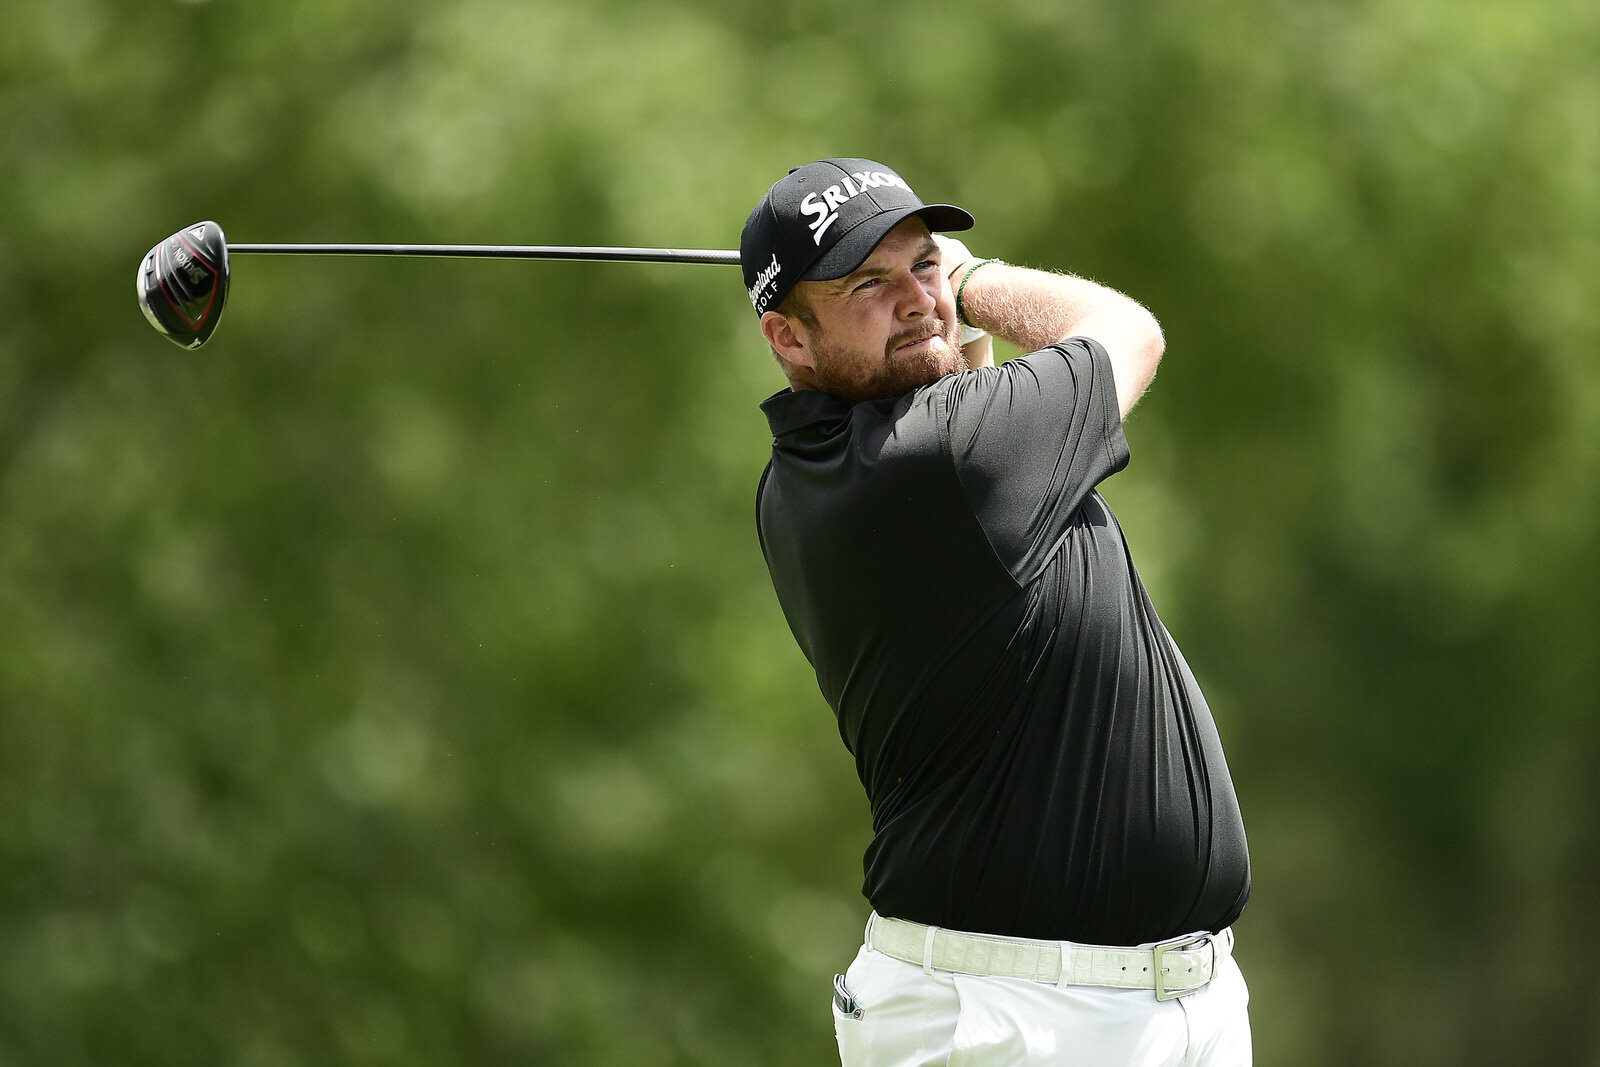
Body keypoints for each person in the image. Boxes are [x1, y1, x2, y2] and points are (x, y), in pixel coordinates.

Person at [740, 158, 1252, 1066]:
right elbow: (1127, 332)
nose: (915, 300)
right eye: (868, 282)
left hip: (1137, 1001)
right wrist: (977, 282)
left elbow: (949, 385)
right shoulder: (938, 463)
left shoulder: (817, 470)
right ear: (788, 337)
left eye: (923, 265)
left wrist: (936, 304)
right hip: (1015, 1017)